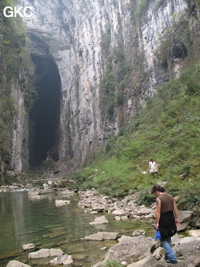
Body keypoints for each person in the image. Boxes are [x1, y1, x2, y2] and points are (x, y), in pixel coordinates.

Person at [151, 184, 179, 264]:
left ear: (156, 191)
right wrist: (176, 218)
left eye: (154, 193)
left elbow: (158, 212)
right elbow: (175, 208)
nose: (154, 194)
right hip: (171, 217)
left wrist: (157, 223)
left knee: (163, 238)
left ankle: (172, 257)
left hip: (163, 219)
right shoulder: (171, 196)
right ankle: (167, 257)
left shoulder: (159, 199)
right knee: (168, 236)